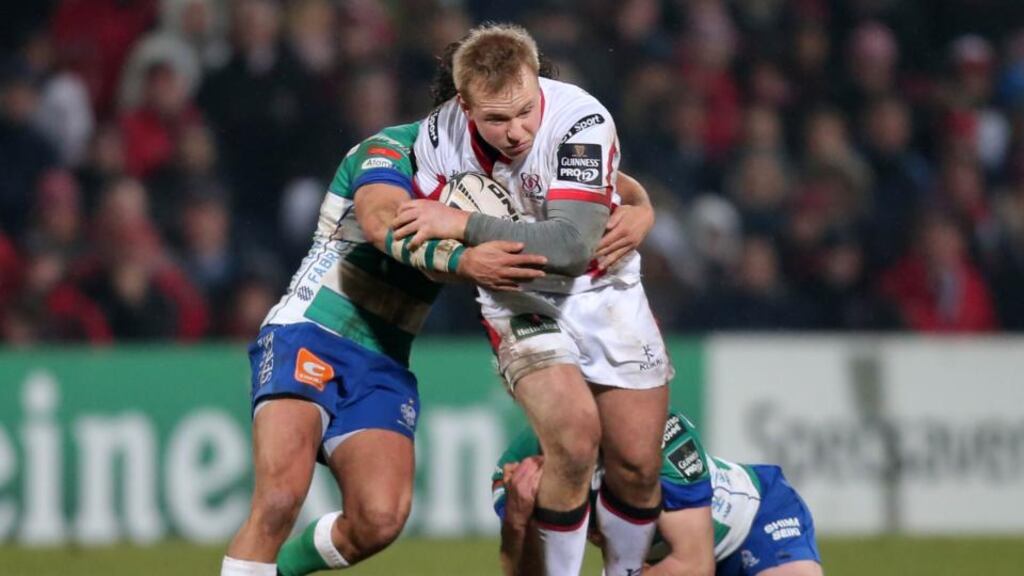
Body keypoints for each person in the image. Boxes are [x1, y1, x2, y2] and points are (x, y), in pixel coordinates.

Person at [222, 120, 655, 574]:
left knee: (378, 520)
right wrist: (465, 260)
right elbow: (381, 221)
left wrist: (643, 209)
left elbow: (611, 179)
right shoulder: (393, 148)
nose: (511, 127)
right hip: (312, 330)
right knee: (280, 498)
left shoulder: (511, 163)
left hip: (385, 357)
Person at [393, 23, 671, 575]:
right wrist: (458, 259)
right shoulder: (437, 140)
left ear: (537, 80)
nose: (517, 130)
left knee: (638, 466)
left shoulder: (581, 121)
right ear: (466, 105)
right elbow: (420, 242)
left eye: (525, 110)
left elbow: (570, 246)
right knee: (574, 437)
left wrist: (462, 224)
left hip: (604, 288)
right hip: (518, 301)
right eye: (497, 119)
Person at [494, 410, 824, 576]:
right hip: (647, 561)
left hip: (756, 522)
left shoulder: (661, 433)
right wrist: (517, 521)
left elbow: (694, 564)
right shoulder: (515, 471)